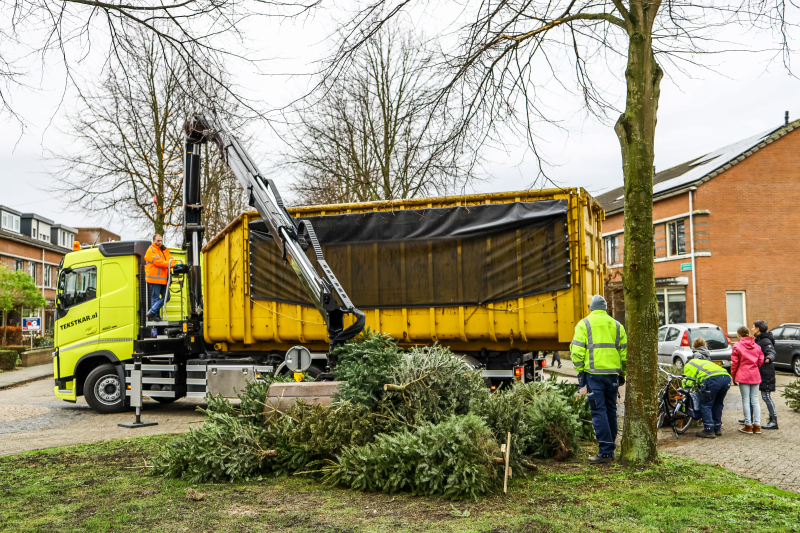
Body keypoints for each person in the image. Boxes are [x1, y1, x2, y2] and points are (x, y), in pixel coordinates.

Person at [570, 294, 627, 464]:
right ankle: (610, 447)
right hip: (613, 376)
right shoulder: (617, 325)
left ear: (591, 308)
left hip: (594, 375)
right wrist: (622, 373)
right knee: (610, 410)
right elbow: (624, 353)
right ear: (605, 309)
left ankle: (605, 452)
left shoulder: (584, 324)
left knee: (598, 411)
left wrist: (581, 371)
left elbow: (577, 352)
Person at [682, 356, 732, 438]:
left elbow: (688, 381)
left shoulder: (689, 365)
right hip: (726, 378)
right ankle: (717, 428)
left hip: (712, 380)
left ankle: (709, 430)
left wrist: (685, 390)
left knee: (706, 404)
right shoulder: (704, 362)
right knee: (718, 404)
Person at [730, 325, 764, 434]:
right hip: (755, 374)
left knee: (745, 400)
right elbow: (760, 360)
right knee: (755, 400)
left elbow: (735, 363)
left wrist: (733, 376)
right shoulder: (757, 346)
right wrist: (754, 367)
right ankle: (757, 425)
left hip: (743, 375)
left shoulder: (737, 346)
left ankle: (748, 425)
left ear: (739, 335)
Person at [750, 320, 779, 430]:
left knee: (766, 396)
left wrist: (768, 358)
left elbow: (771, 352)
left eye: (753, 327)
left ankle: (773, 420)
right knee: (751, 395)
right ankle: (748, 417)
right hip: (758, 373)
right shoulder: (758, 340)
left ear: (757, 329)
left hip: (766, 373)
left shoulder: (766, 340)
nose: (752, 329)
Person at [144, 234, 172, 322]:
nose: (160, 242)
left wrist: (166, 251)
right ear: (153, 241)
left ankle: (152, 312)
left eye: (161, 241)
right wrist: (172, 264)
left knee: (167, 297)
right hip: (154, 279)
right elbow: (159, 262)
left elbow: (170, 259)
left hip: (163, 279)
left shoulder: (162, 251)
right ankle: (156, 317)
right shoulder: (151, 250)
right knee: (155, 298)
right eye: (158, 241)